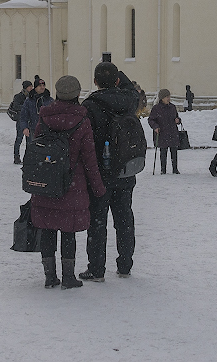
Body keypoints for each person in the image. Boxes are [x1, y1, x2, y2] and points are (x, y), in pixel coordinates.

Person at [30, 74, 106, 289]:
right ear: (77, 94)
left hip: (46, 182)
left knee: (47, 229)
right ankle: (69, 277)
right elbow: (90, 159)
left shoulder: (44, 117)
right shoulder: (82, 120)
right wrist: (98, 188)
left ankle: (49, 275)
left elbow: (37, 148)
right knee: (68, 231)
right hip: (72, 185)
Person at [81, 62, 141, 280]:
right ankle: (125, 265)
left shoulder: (90, 105)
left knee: (97, 222)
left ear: (95, 82)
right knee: (124, 219)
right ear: (117, 80)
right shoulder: (128, 101)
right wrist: (119, 78)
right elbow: (132, 91)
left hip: (99, 172)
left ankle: (96, 269)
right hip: (125, 169)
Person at [147, 87, 183, 174]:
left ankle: (175, 169)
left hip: (172, 132)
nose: (168, 99)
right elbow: (151, 120)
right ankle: (163, 169)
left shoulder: (172, 107)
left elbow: (177, 117)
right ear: (162, 98)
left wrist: (178, 120)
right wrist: (155, 127)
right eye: (167, 97)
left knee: (174, 151)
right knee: (163, 152)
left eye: (169, 96)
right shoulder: (156, 108)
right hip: (162, 133)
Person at [8, 81, 34, 164]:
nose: (31, 88)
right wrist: (26, 106)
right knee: (19, 139)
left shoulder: (32, 96)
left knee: (29, 141)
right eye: (30, 86)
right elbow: (16, 106)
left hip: (30, 121)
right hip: (21, 121)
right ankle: (16, 157)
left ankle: (28, 158)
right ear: (25, 87)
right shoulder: (18, 96)